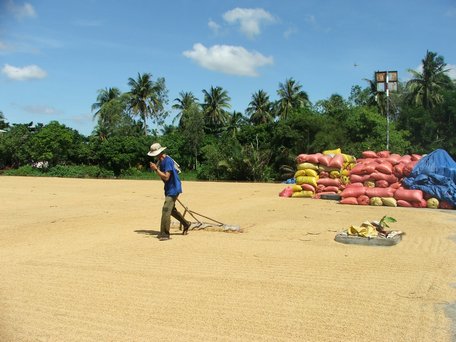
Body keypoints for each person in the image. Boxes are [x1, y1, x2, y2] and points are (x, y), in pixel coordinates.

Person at [148, 143, 190, 241]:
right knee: (172, 210)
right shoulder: (160, 161)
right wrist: (156, 169)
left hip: (174, 188)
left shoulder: (167, 161)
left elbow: (166, 177)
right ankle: (186, 224)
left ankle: (164, 234)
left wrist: (156, 169)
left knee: (166, 209)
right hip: (169, 189)